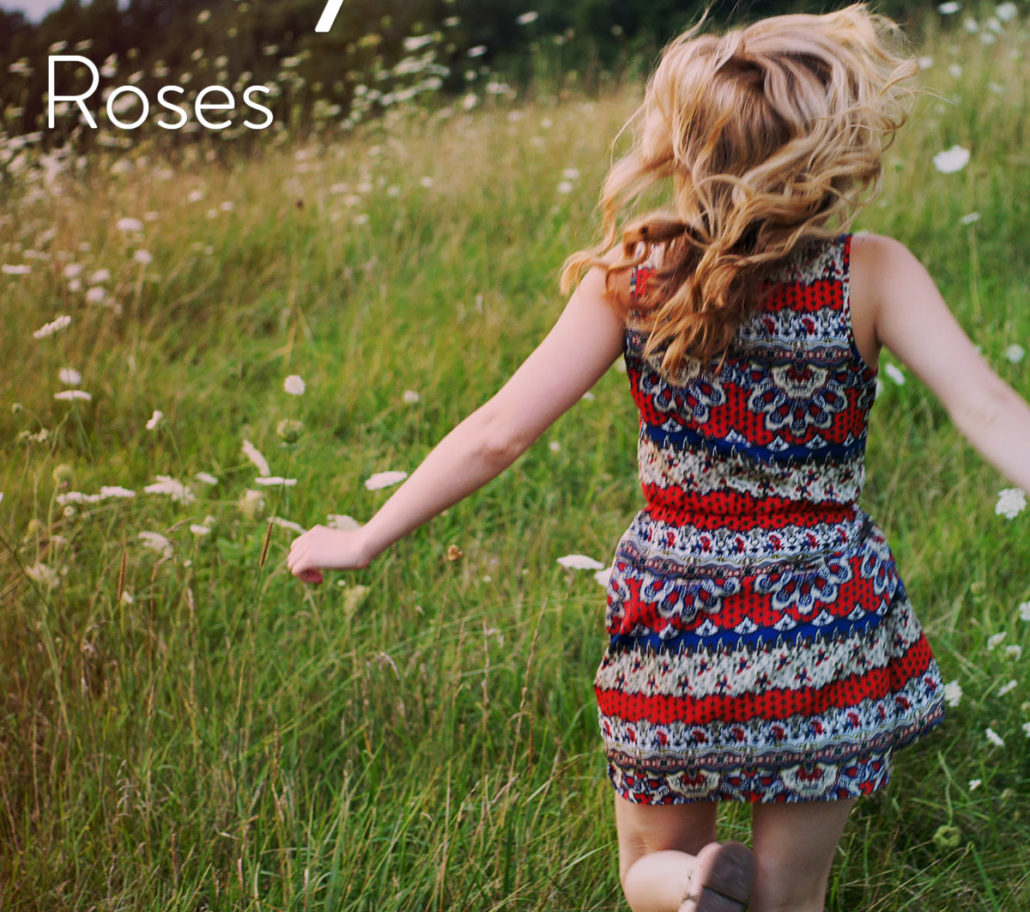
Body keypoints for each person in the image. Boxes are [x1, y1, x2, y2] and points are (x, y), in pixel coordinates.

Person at [288, 5, 1030, 910]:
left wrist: (367, 535)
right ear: (816, 151)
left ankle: (688, 885)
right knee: (789, 902)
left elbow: (498, 434)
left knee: (651, 871)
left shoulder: (631, 277)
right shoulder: (870, 272)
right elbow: (988, 408)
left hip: (676, 617)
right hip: (824, 619)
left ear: (683, 152)